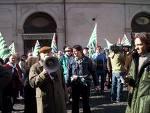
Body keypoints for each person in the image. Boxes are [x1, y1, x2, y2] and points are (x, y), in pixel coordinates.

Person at [29, 46, 67, 113]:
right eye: (44, 53)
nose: (47, 54)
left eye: (49, 52)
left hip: (59, 99)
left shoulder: (57, 65)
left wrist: (65, 96)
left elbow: (62, 82)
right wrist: (43, 73)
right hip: (45, 100)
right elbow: (33, 83)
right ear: (40, 55)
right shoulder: (35, 67)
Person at [67, 45, 99, 113]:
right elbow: (69, 73)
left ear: (80, 51)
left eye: (75, 51)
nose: (74, 53)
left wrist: (96, 84)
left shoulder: (87, 60)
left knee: (86, 102)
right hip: (75, 83)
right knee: (75, 102)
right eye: (73, 51)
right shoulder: (71, 60)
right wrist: (68, 85)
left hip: (85, 83)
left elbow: (93, 72)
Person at [125, 32, 150, 113]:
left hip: (146, 104)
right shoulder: (135, 59)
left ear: (147, 44)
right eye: (135, 45)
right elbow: (131, 74)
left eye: (139, 45)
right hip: (133, 101)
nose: (136, 48)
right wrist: (128, 80)